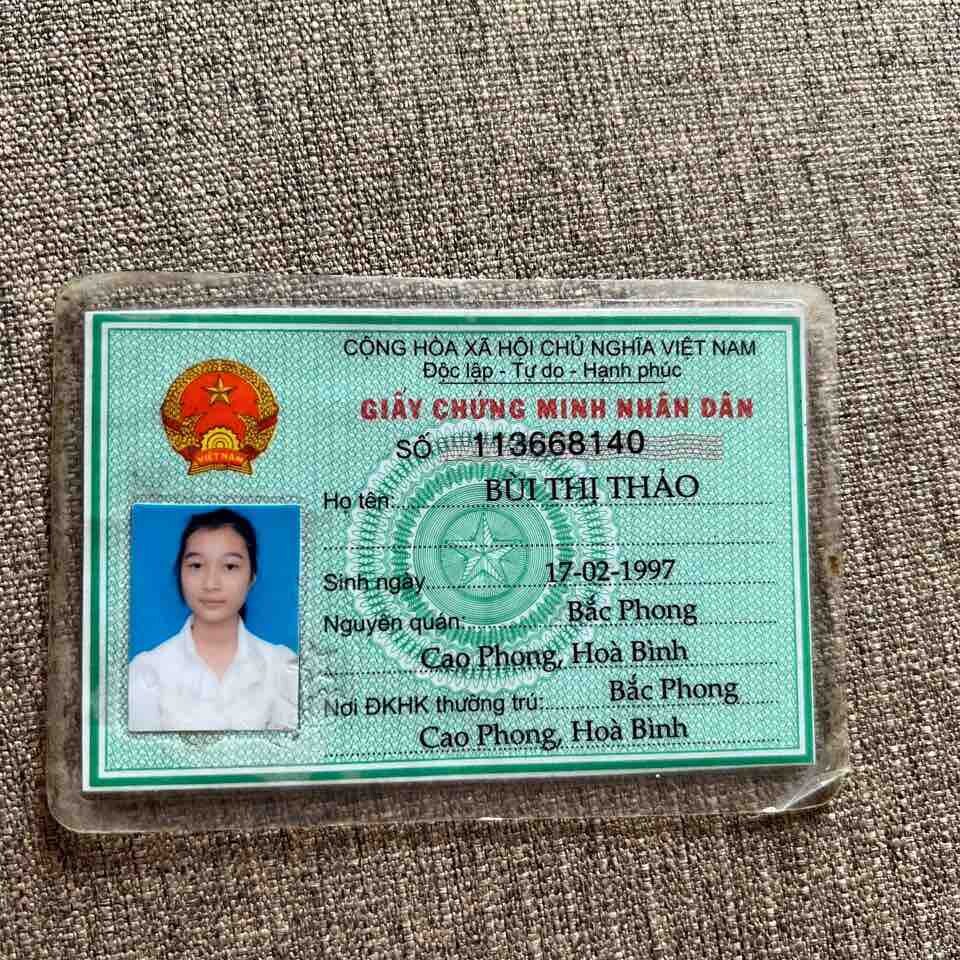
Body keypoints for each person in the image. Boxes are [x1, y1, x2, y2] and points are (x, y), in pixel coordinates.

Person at [128, 508, 298, 732]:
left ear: (252, 577)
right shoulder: (147, 672)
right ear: (180, 573)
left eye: (230, 566)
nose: (211, 584)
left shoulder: (282, 668)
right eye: (196, 566)